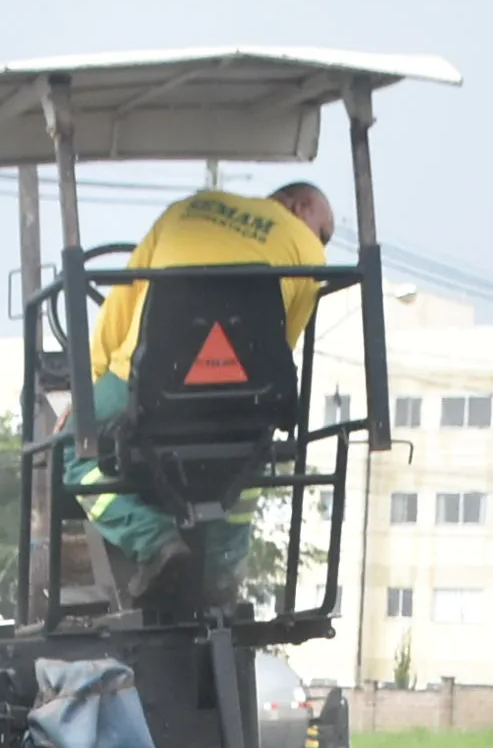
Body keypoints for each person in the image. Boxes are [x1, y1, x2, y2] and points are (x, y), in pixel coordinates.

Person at [77, 179, 335, 613]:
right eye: (323, 230)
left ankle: (156, 541)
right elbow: (278, 349)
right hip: (241, 406)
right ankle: (221, 573)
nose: (322, 242)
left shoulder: (185, 212)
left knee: (74, 451)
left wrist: (91, 385)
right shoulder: (309, 254)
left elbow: (119, 308)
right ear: (301, 205)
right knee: (251, 459)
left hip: (145, 390)